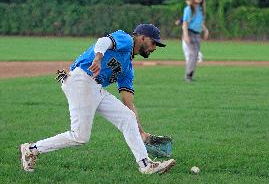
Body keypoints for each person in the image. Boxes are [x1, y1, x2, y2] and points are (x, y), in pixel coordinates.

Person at [19, 24, 176, 174]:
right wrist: (98, 57)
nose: (154, 47)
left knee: (128, 117)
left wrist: (140, 131)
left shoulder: (128, 69)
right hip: (81, 80)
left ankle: (146, 165)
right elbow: (103, 41)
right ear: (142, 37)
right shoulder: (126, 39)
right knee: (80, 136)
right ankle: (31, 149)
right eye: (153, 42)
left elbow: (128, 102)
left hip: (95, 88)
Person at [182, 0, 209, 81]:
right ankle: (188, 76)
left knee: (195, 55)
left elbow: (200, 23)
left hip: (197, 34)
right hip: (189, 33)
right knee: (193, 54)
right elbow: (185, 24)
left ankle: (189, 75)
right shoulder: (189, 9)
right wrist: (186, 36)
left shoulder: (201, 9)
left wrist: (206, 30)